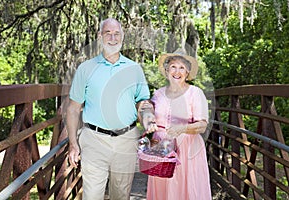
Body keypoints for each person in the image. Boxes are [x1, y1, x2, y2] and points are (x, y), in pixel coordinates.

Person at [66, 18, 156, 200]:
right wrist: (73, 143)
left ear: (122, 37)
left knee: (121, 194)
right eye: (108, 33)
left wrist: (148, 117)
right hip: (94, 140)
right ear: (100, 36)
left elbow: (142, 102)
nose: (113, 38)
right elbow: (73, 109)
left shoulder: (134, 68)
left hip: (126, 139)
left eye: (117, 33)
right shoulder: (86, 68)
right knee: (91, 195)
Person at [144, 49, 212, 200]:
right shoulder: (158, 94)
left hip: (188, 150)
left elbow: (202, 125)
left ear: (187, 72)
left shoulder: (195, 93)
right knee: (162, 187)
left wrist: (183, 128)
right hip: (161, 150)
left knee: (187, 189)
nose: (177, 71)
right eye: (173, 66)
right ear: (167, 70)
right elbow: (150, 117)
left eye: (182, 68)